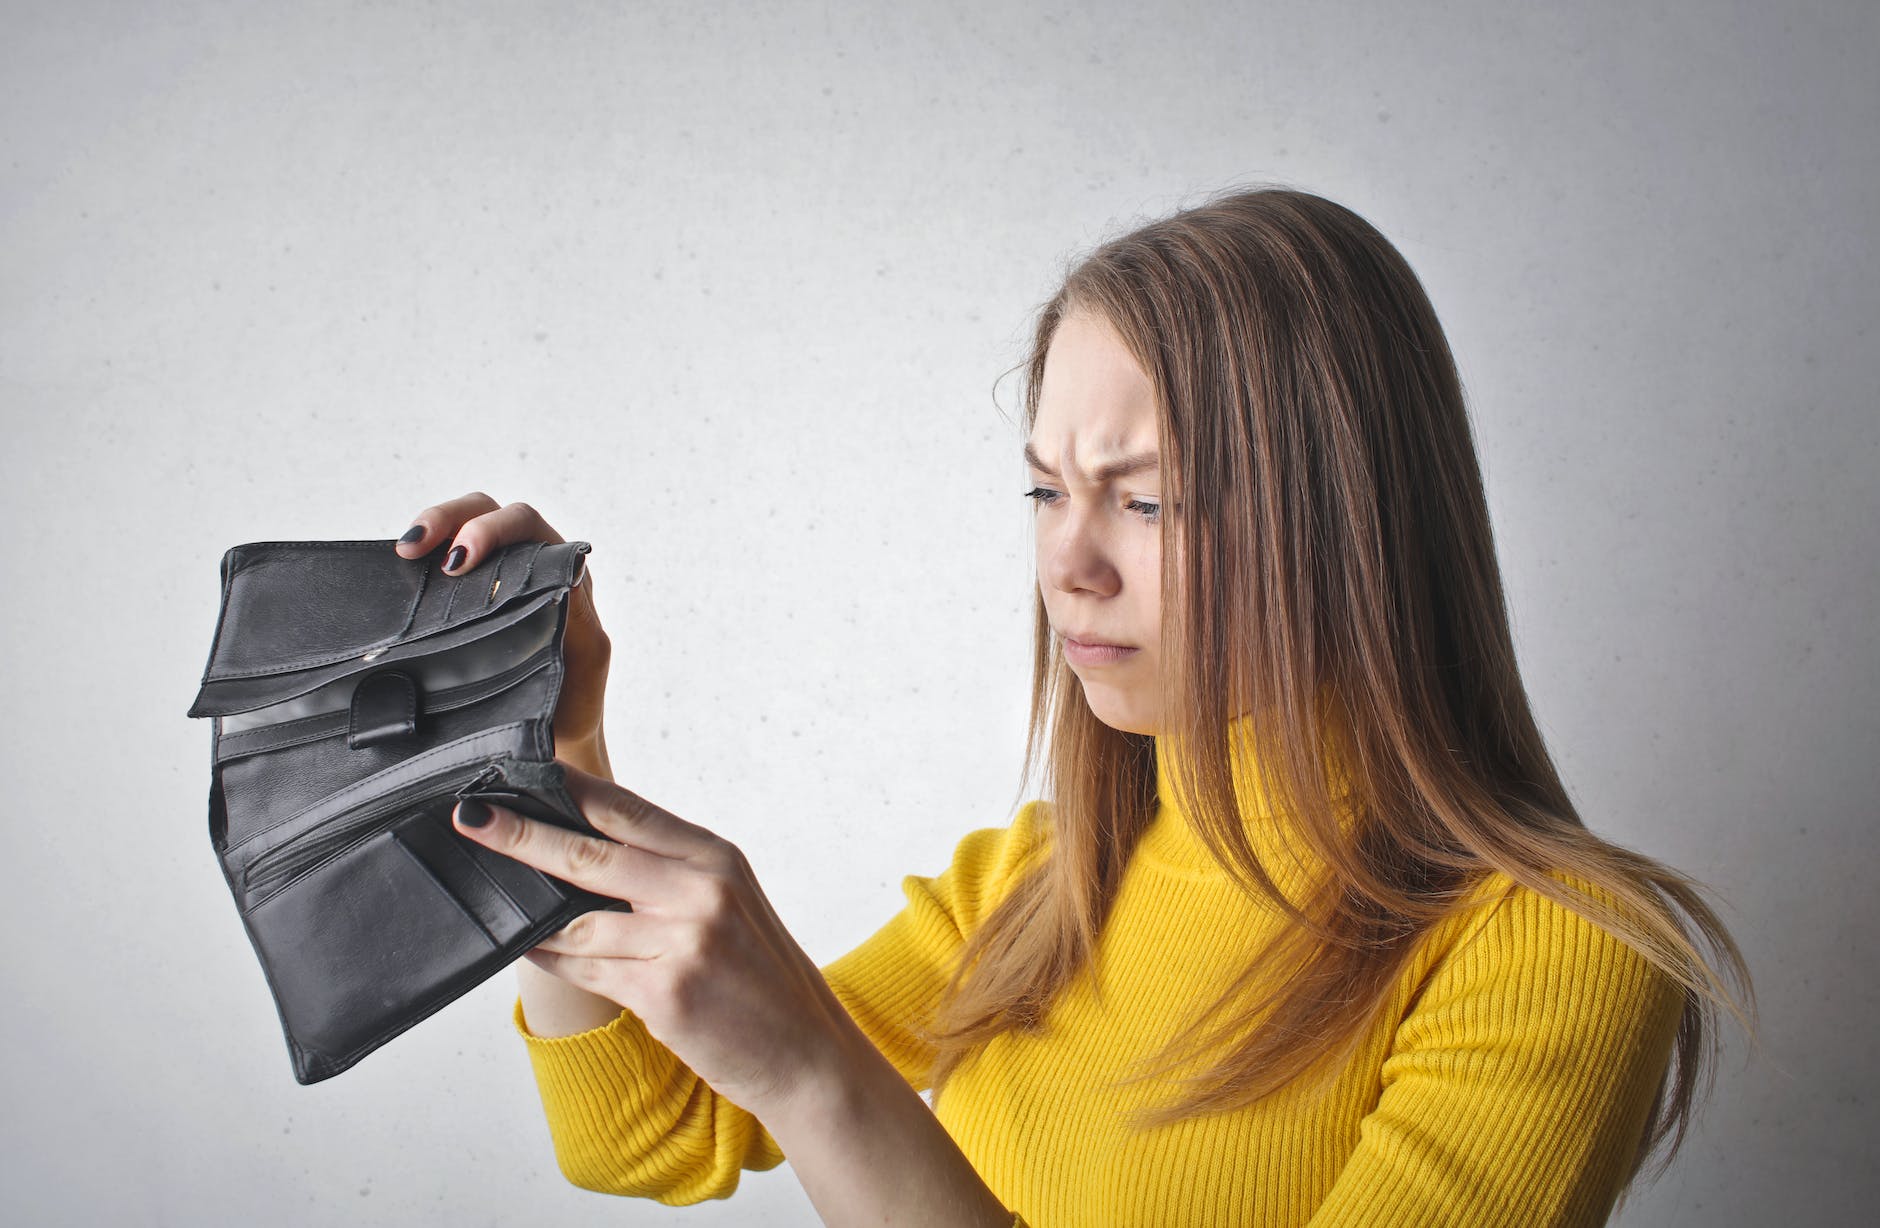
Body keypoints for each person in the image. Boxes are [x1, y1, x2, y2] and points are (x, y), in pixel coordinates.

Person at [394, 186, 1755, 1227]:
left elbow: (781, 1088)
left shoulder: (1558, 954)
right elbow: (644, 1131)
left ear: (1351, 527)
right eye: (1046, 490)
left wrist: (822, 1075)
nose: (1067, 562)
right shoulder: (1043, 883)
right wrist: (550, 746)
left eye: (1145, 497)